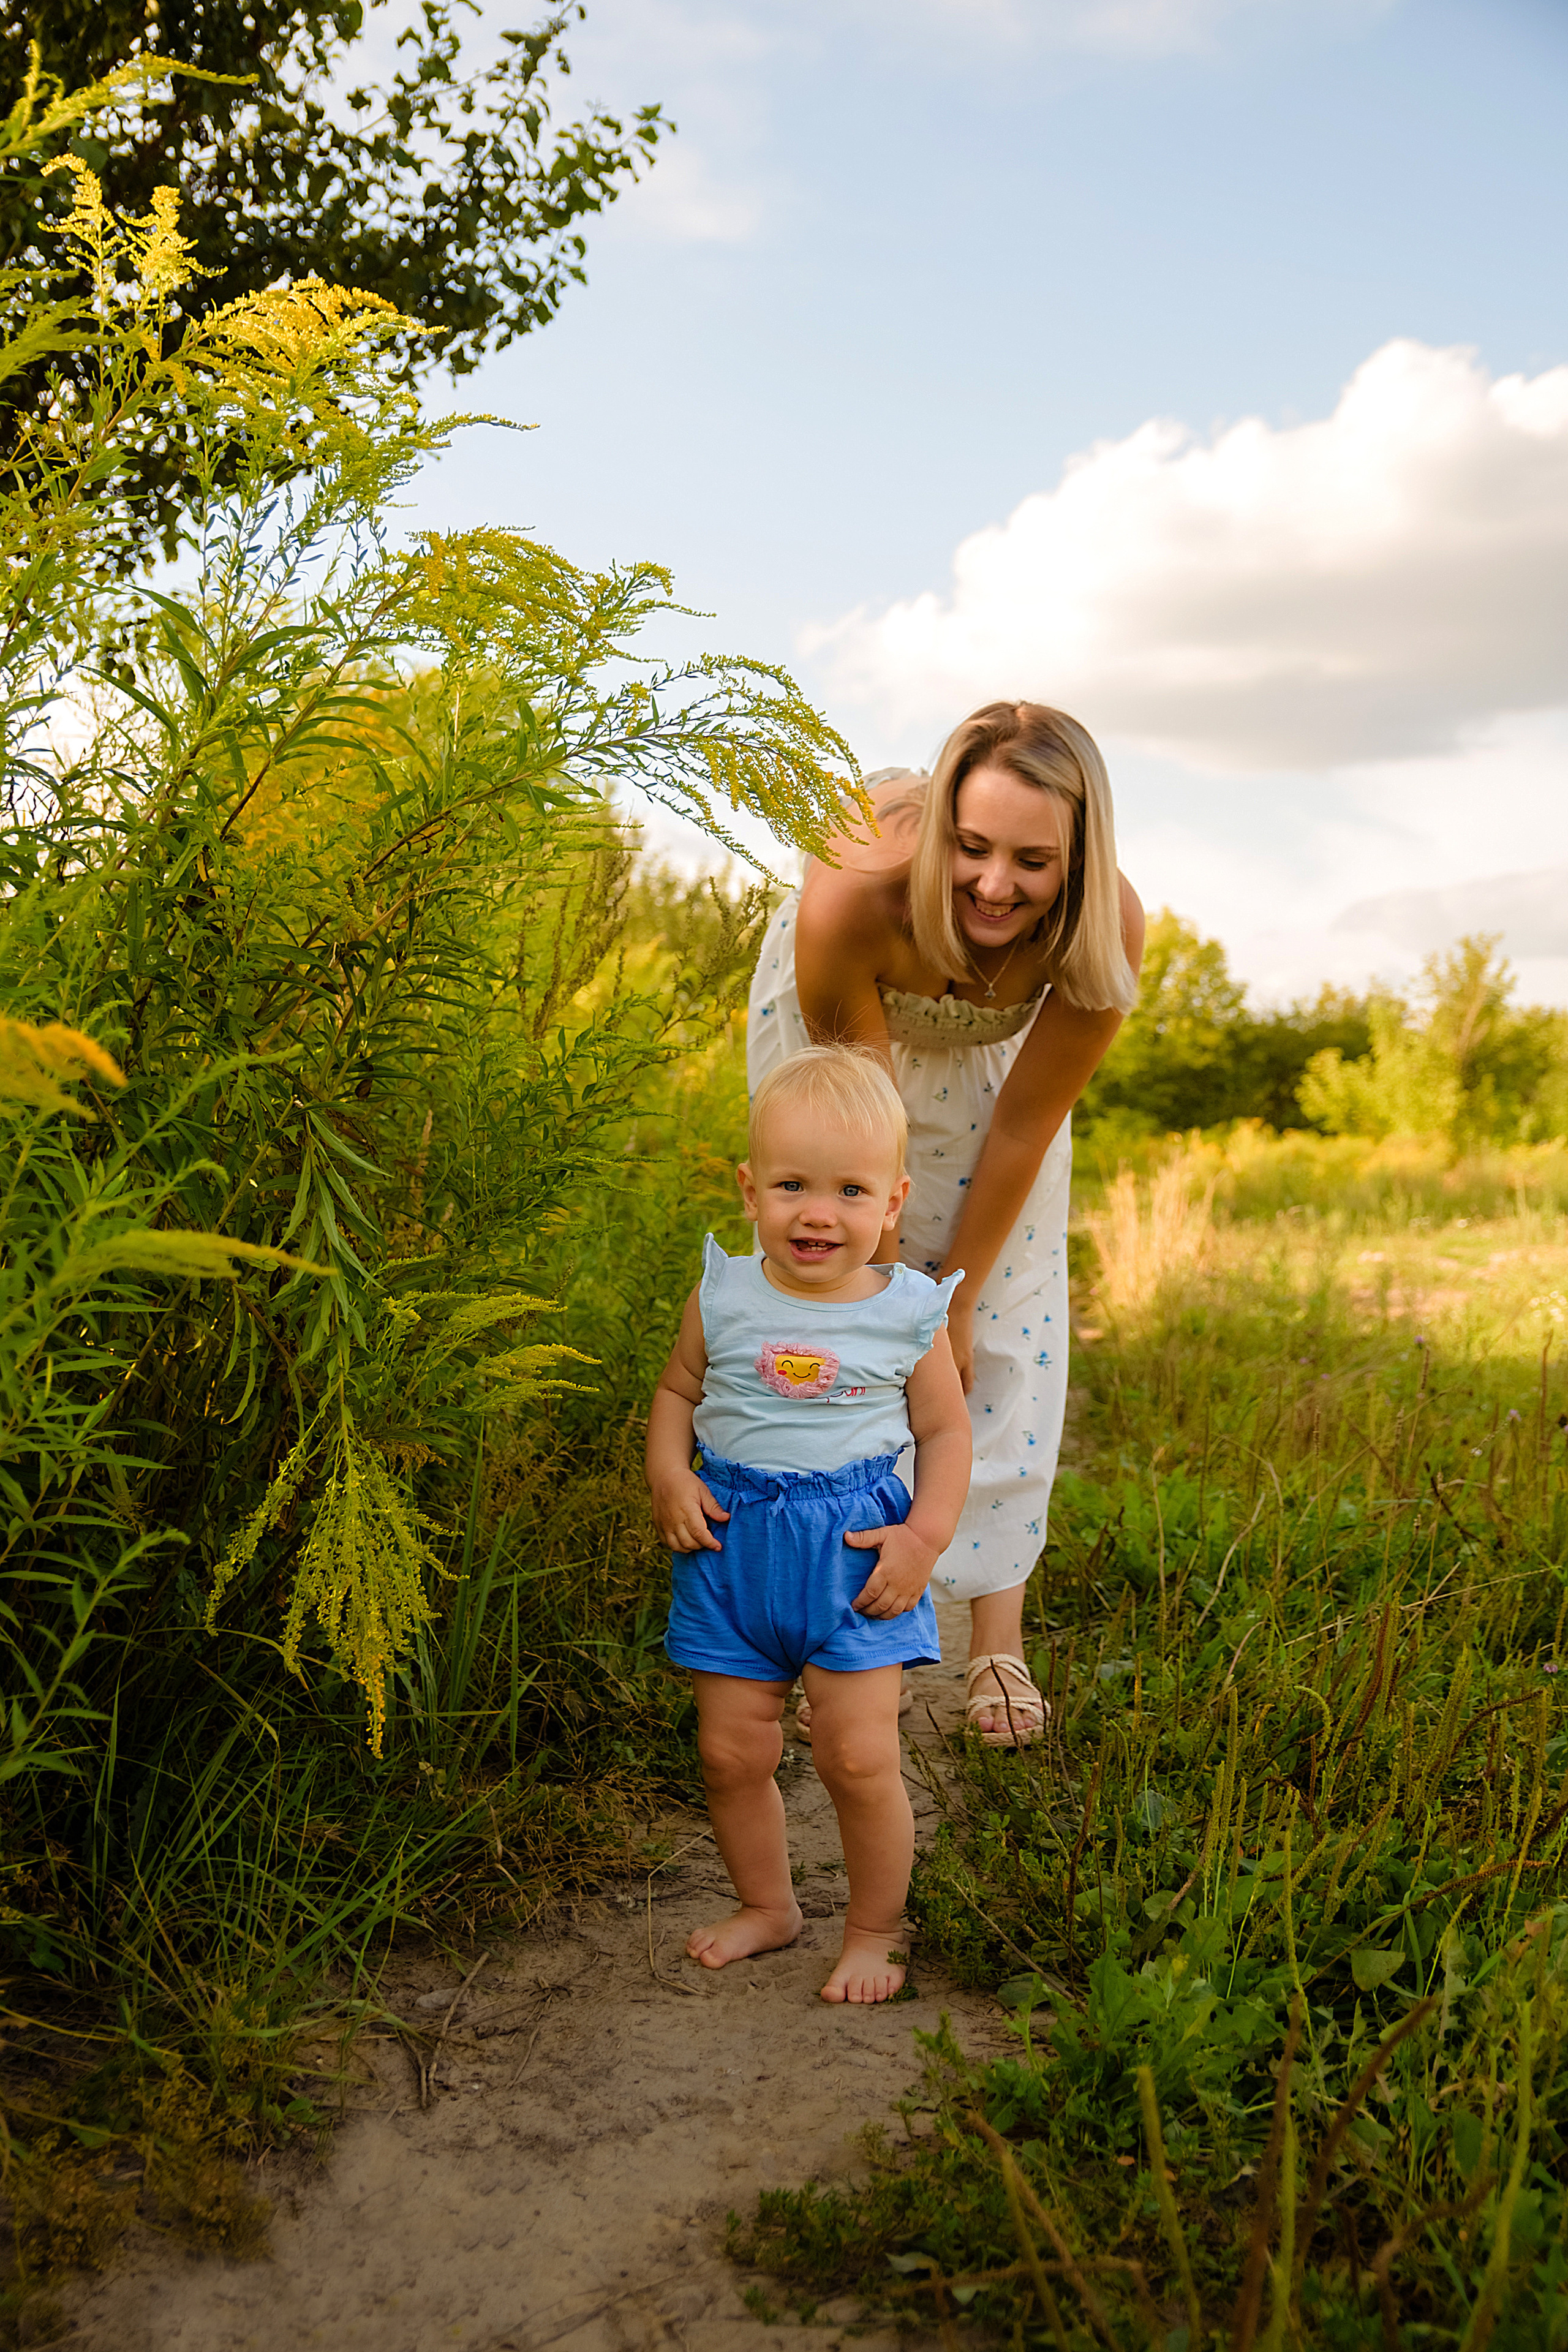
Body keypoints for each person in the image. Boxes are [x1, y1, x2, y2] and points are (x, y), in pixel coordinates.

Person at [748, 702, 1144, 1747]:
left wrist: (958, 1303)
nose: (995, 885)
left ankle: (994, 1640)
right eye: (970, 848)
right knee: (839, 1313)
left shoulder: (1106, 925)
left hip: (993, 1080)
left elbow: (1021, 1126)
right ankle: (804, 1622)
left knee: (1012, 1320)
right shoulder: (853, 901)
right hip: (846, 1049)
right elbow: (868, 1156)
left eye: (1033, 860)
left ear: (1082, 859)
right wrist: (908, 1319)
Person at [645, 1046, 971, 2003]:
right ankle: (769, 1907)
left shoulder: (910, 1314)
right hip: (732, 1545)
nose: (817, 1212)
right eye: (791, 1184)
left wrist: (924, 1538)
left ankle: (875, 1928)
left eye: (849, 1189)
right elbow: (679, 1389)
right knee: (732, 1749)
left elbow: (946, 1431)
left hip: (855, 1556)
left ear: (893, 1204)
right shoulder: (724, 1294)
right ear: (751, 1190)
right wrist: (669, 1469)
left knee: (858, 1752)